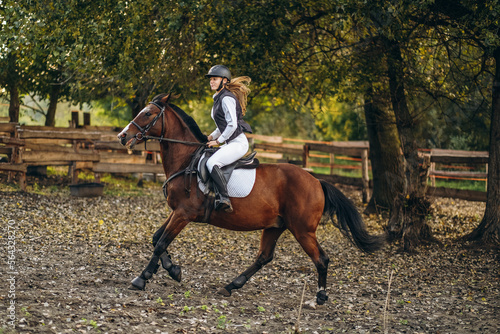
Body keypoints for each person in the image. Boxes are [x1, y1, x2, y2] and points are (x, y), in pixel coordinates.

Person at [205, 65, 252, 213]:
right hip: (230, 142)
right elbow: (222, 126)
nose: (211, 82)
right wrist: (211, 136)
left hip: (238, 143)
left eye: (215, 79)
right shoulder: (218, 98)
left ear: (224, 81)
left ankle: (224, 198)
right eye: (211, 79)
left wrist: (218, 141)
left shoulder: (226, 98)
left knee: (212, 163)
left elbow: (232, 125)